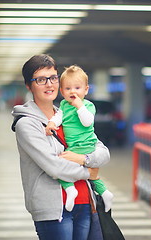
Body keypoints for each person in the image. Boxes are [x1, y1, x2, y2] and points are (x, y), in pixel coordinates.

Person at [11, 54, 110, 240]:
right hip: (53, 210)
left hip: (84, 202)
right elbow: (53, 166)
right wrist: (89, 173)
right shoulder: (27, 124)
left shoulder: (67, 113)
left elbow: (103, 152)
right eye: (41, 79)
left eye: (53, 78)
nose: (49, 84)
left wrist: (85, 159)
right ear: (28, 85)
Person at [45, 65, 113, 213]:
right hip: (74, 146)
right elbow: (59, 117)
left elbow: (87, 121)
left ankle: (70, 190)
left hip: (85, 145)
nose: (73, 92)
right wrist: (52, 123)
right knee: (92, 176)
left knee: (61, 166)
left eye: (77, 88)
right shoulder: (63, 105)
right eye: (68, 89)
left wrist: (79, 106)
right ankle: (105, 193)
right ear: (62, 92)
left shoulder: (88, 105)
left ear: (86, 90)